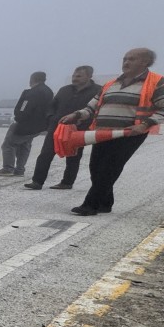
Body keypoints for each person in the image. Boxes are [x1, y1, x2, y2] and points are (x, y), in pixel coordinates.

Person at [62, 47, 162, 217]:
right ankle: (105, 203)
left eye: (131, 59)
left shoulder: (157, 82)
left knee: (109, 168)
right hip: (102, 133)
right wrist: (77, 115)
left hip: (129, 134)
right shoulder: (111, 83)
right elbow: (92, 106)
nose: (126, 62)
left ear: (145, 62)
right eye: (125, 58)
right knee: (96, 167)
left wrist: (145, 125)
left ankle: (90, 205)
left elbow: (162, 109)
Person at [23, 66, 100, 190]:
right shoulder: (65, 90)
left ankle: (67, 182)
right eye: (74, 76)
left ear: (89, 76)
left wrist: (86, 124)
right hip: (57, 127)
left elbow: (96, 110)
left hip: (78, 129)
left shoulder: (97, 91)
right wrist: (51, 117)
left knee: (73, 156)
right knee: (46, 154)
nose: (75, 78)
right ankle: (37, 181)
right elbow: (52, 106)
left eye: (79, 76)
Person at [0, 72, 53, 175]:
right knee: (25, 145)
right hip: (39, 126)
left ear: (32, 79)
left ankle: (8, 168)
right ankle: (20, 169)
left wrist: (18, 117)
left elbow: (24, 107)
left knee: (9, 144)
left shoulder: (31, 93)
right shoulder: (49, 92)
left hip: (25, 124)